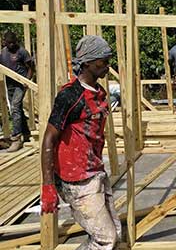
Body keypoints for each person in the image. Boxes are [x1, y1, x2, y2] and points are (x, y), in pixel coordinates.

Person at [41, 35, 121, 249]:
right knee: (105, 239)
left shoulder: (99, 93)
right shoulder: (70, 96)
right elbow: (49, 138)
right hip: (76, 179)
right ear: (87, 63)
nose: (107, 66)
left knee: (115, 232)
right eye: (102, 62)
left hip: (94, 171)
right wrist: (48, 185)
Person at [0, 31, 34, 152]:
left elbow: (31, 67)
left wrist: (27, 81)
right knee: (16, 108)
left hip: (20, 84)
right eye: (9, 43)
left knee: (15, 106)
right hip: (10, 84)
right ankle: (26, 133)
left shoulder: (22, 52)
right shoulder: (3, 52)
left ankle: (16, 138)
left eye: (13, 43)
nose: (11, 45)